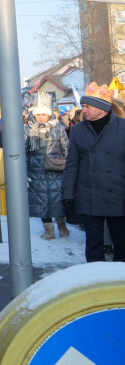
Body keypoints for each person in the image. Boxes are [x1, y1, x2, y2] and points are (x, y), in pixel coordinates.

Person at [61, 82, 125, 262]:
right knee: (93, 246)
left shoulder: (123, 128)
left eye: (87, 106)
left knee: (122, 245)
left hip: (119, 195)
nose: (84, 111)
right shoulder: (78, 130)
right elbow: (71, 165)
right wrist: (68, 195)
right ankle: (95, 281)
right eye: (83, 106)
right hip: (89, 195)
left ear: (102, 108)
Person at [25, 97, 69, 240]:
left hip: (56, 171)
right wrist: (24, 173)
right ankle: (49, 231)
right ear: (34, 115)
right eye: (38, 114)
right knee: (42, 202)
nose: (41, 117)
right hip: (36, 172)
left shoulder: (59, 128)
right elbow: (24, 152)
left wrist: (69, 168)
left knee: (58, 200)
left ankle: (62, 226)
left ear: (49, 114)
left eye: (44, 114)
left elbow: (66, 149)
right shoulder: (28, 130)